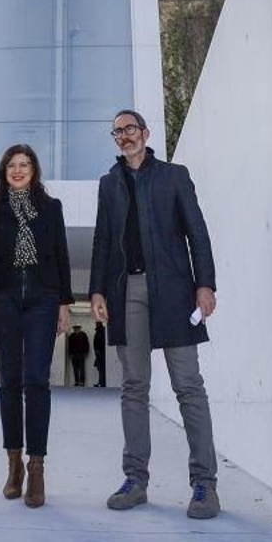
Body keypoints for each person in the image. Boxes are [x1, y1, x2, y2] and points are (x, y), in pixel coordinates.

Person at [90, 109, 220, 520]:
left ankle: (204, 484)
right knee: (133, 386)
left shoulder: (173, 176)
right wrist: (97, 289)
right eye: (118, 132)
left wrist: (205, 284)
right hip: (126, 291)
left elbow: (197, 232)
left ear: (145, 133)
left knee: (188, 385)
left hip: (175, 291)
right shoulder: (109, 183)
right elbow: (102, 240)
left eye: (131, 129)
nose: (125, 136)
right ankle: (136, 480)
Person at [0, 143, 71, 508]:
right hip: (3, 299)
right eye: (12, 165)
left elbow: (61, 254)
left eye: (25, 164)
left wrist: (64, 302)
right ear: (4, 170)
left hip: (43, 300)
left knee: (36, 380)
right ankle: (14, 465)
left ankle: (37, 467)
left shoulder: (51, 208)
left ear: (34, 170)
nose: (18, 170)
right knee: (10, 381)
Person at [92, 320, 107, 387]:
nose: (96, 324)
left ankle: (102, 382)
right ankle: (101, 382)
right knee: (100, 369)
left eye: (97, 323)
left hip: (101, 354)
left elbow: (99, 343)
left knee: (101, 369)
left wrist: (98, 351)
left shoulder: (100, 332)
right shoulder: (100, 332)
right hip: (100, 354)